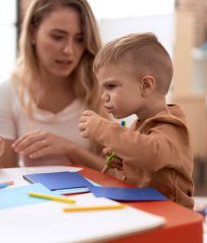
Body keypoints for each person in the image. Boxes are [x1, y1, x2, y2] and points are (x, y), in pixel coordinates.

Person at [0, 0, 107, 170]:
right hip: (32, 198)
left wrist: (70, 148)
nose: (69, 50)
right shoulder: (7, 93)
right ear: (33, 33)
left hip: (97, 199)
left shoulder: (102, 92)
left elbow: (120, 175)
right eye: (58, 37)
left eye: (80, 39)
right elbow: (3, 178)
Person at [78, 33, 194, 209]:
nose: (103, 97)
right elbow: (148, 166)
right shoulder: (140, 123)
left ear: (146, 85)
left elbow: (152, 154)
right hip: (148, 207)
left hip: (172, 216)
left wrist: (103, 129)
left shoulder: (171, 124)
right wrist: (126, 162)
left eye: (111, 86)